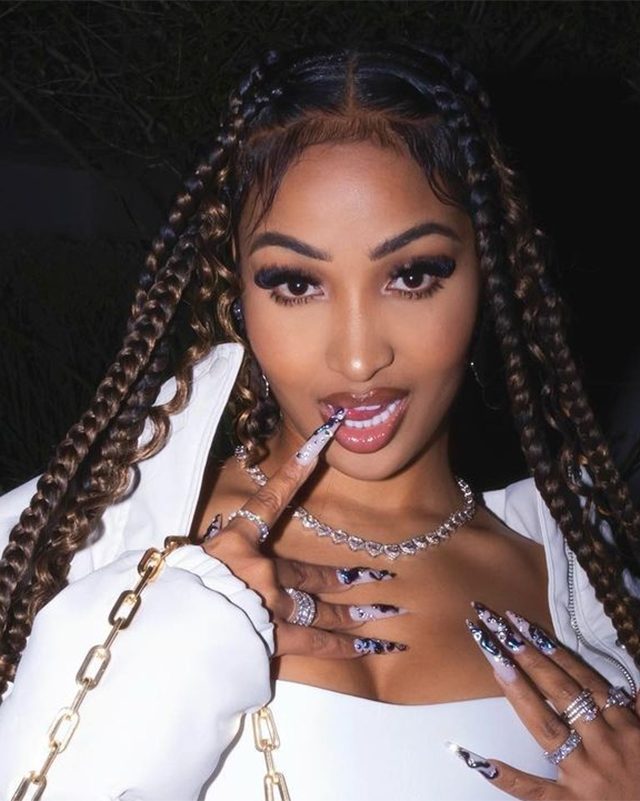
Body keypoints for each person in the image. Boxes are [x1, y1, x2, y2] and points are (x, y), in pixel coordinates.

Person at [0, 41, 639, 801]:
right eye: (297, 284)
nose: (360, 356)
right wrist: (172, 635)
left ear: (488, 272)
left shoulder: (592, 583)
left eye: (412, 275)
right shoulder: (86, 541)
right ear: (237, 291)